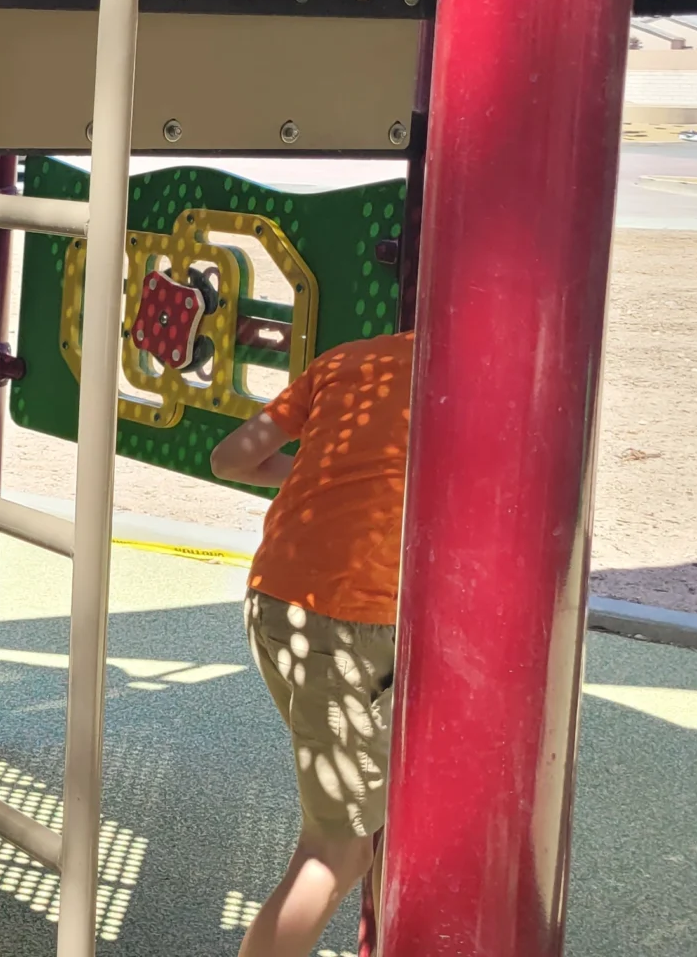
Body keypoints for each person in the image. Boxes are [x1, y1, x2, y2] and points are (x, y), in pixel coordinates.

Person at [210, 328, 416, 957]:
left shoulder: (349, 360)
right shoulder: (476, 379)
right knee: (337, 850)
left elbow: (231, 458)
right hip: (353, 628)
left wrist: (335, 476)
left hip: (275, 603)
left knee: (371, 808)